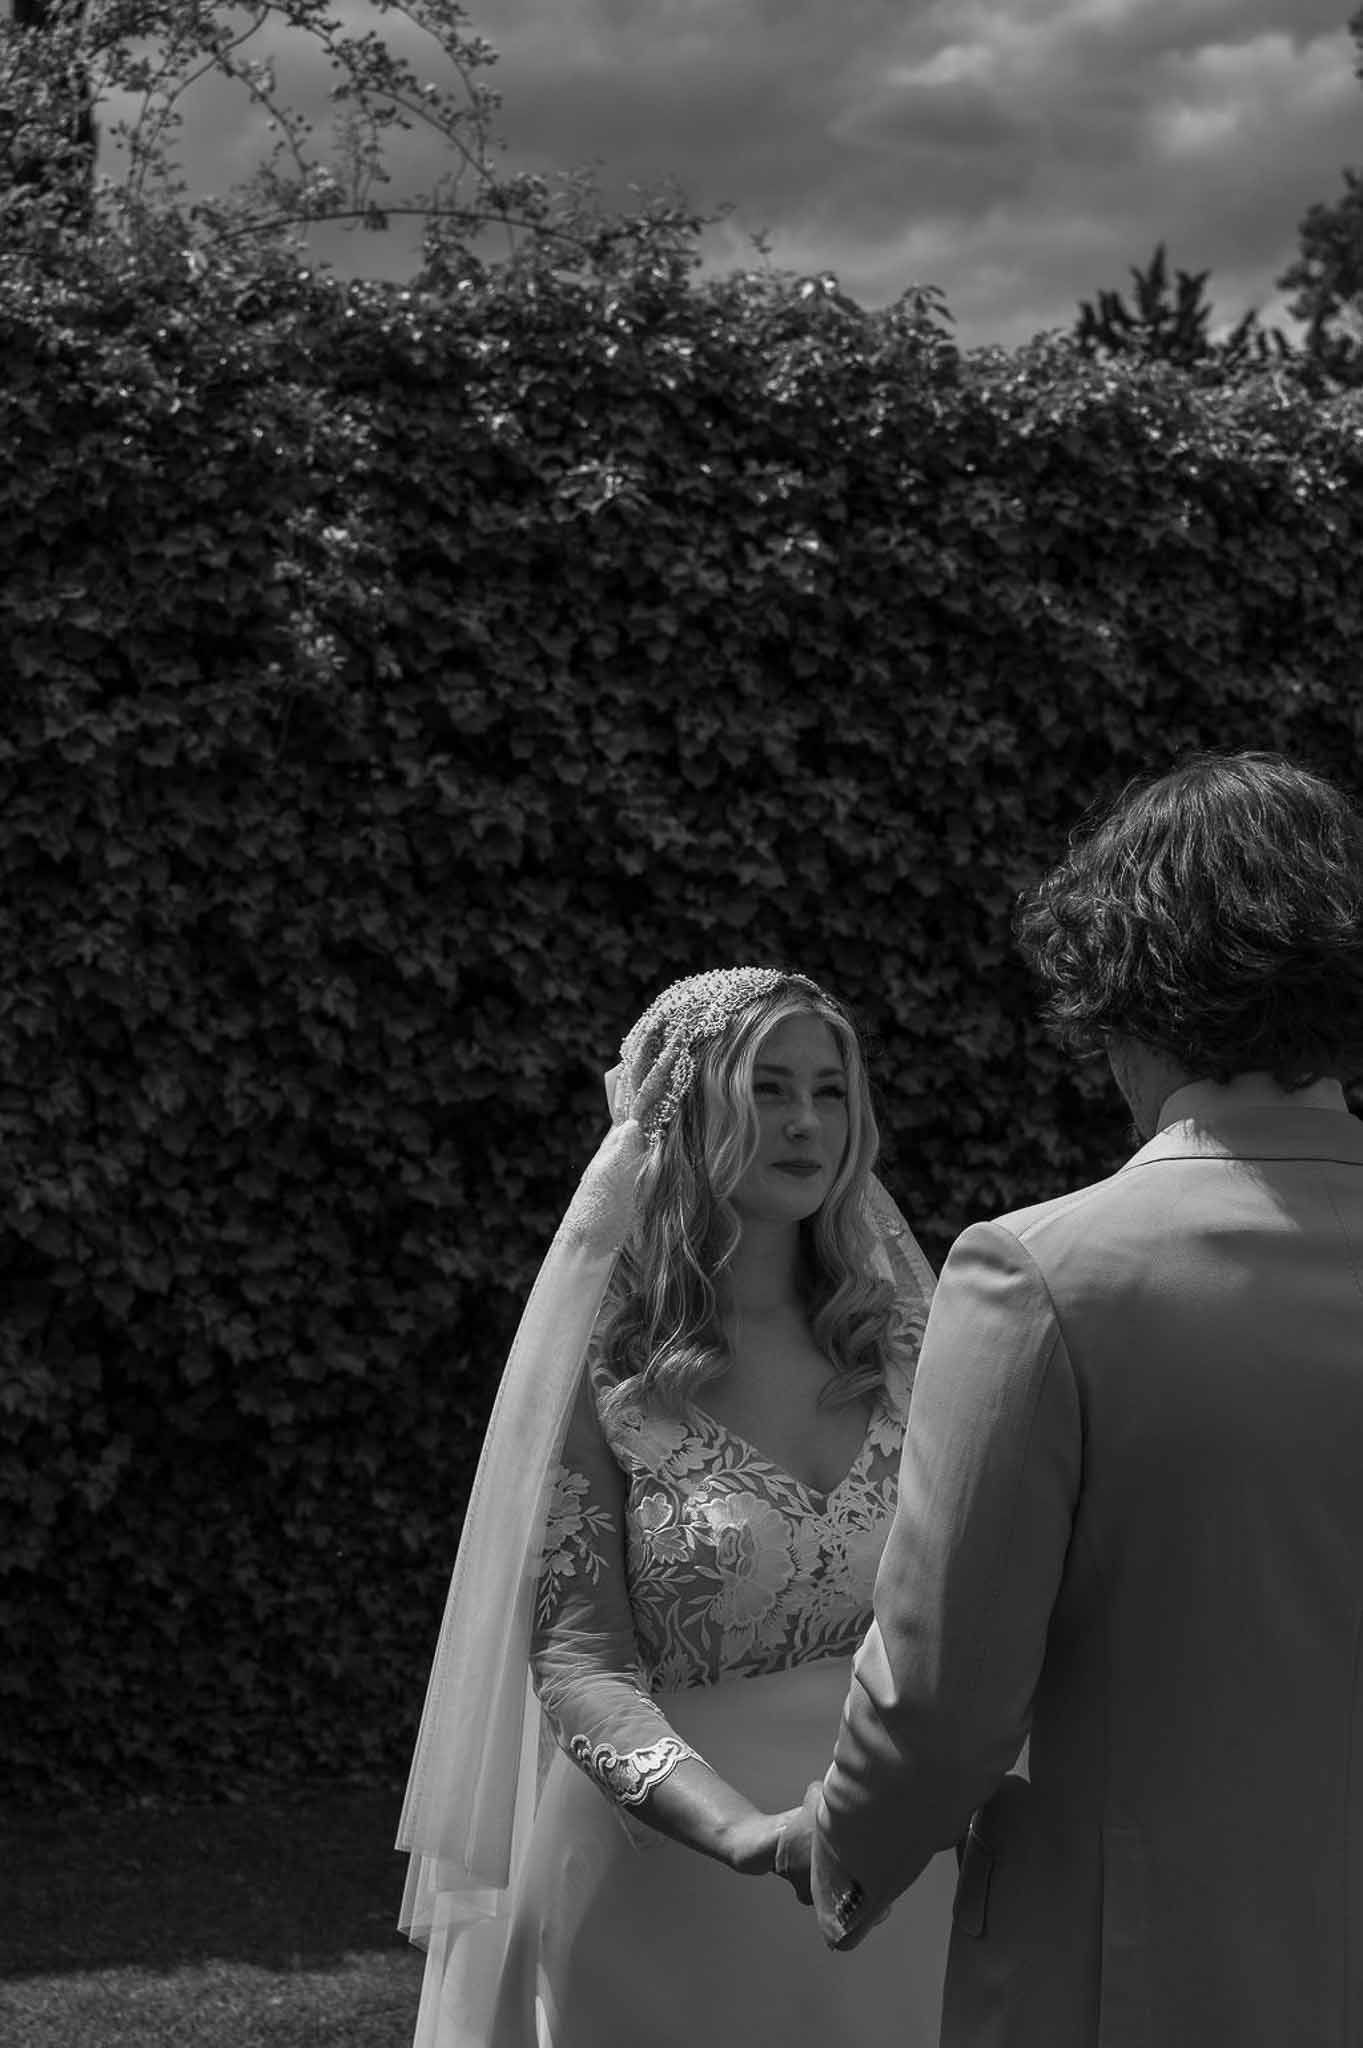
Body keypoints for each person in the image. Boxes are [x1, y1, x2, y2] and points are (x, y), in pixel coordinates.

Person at [805, 750, 1363, 2046]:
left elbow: (942, 1699)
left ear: (1124, 991)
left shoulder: (1038, 1274)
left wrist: (843, 1850)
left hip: (1142, 1970)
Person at [396, 966, 958, 2047]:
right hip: (664, 1877)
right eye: (767, 1086)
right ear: (686, 1108)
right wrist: (749, 1835)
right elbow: (578, 1663)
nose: (804, 1121)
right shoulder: (602, 1368)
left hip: (895, 1863)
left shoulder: (904, 1342)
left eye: (830, 1089)